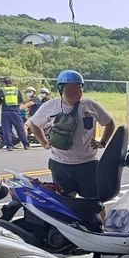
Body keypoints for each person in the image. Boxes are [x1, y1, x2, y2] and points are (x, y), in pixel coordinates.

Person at [28, 70, 115, 199]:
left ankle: (101, 221)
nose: (77, 93)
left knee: (95, 202)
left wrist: (102, 142)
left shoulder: (90, 105)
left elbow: (110, 123)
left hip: (87, 164)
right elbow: (33, 124)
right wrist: (44, 143)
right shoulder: (50, 106)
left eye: (79, 89)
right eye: (71, 90)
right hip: (60, 165)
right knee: (67, 202)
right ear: (61, 89)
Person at [0, 77, 29, 151]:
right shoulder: (16, 90)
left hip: (5, 112)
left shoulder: (3, 90)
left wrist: (2, 101)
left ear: (4, 83)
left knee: (6, 130)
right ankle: (26, 145)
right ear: (12, 82)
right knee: (20, 129)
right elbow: (21, 100)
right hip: (15, 112)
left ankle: (9, 146)